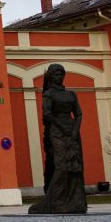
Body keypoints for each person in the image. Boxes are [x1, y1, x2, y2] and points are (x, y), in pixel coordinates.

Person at [29, 63, 87, 214]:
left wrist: (74, 130)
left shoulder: (71, 94)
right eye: (55, 74)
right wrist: (62, 126)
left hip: (72, 130)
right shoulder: (49, 94)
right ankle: (55, 200)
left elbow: (79, 113)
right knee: (62, 166)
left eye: (61, 74)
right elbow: (47, 114)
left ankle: (75, 201)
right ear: (50, 76)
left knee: (75, 166)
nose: (59, 76)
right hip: (57, 130)